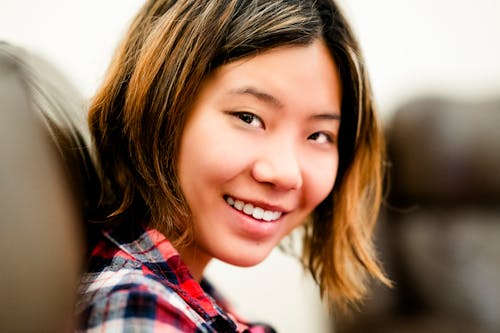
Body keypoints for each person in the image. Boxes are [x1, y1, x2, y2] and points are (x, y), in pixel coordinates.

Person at [76, 0, 391, 331]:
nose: (285, 173)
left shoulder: (188, 296)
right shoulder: (141, 310)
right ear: (159, 104)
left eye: (319, 135)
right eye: (248, 118)